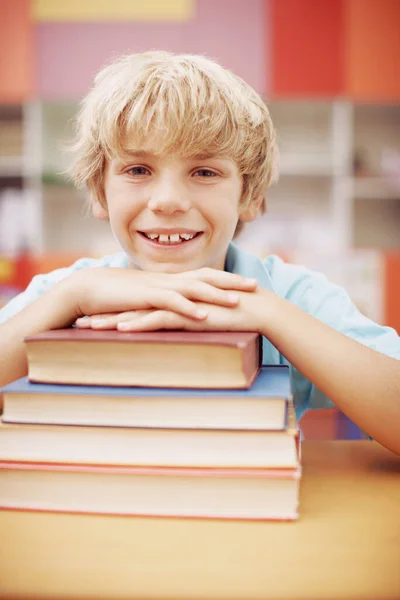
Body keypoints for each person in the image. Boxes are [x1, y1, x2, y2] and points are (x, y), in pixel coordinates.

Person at [0, 52, 399, 453]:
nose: (168, 201)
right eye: (138, 170)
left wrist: (271, 314)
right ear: (99, 193)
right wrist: (71, 297)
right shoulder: (63, 293)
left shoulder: (293, 296)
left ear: (251, 196)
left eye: (205, 172)